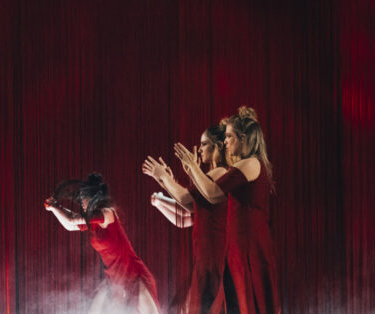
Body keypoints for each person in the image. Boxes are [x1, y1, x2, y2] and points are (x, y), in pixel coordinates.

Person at [174, 106, 280, 314]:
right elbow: (209, 194)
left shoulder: (250, 163)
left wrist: (193, 168)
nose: (226, 142)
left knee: (247, 304)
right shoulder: (245, 165)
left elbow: (213, 193)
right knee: (235, 304)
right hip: (238, 247)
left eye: (230, 137)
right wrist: (193, 171)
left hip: (249, 246)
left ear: (243, 138)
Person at [45, 173, 160, 314]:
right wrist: (55, 208)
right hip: (114, 276)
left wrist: (57, 207)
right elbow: (71, 224)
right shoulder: (92, 221)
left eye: (84, 199)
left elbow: (72, 220)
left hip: (133, 273)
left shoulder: (107, 214)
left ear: (94, 198)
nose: (82, 202)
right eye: (81, 199)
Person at [143, 124, 229, 314]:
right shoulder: (212, 175)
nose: (200, 149)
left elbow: (186, 200)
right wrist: (164, 180)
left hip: (214, 257)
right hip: (207, 256)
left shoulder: (221, 172)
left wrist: (164, 178)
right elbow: (188, 212)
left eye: (204, 144)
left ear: (218, 147)